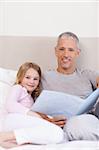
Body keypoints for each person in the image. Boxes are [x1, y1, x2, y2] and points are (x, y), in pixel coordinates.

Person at [42, 32, 99, 141]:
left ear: (77, 53)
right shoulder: (44, 77)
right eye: (62, 49)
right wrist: (47, 120)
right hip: (59, 123)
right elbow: (29, 106)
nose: (66, 54)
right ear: (56, 51)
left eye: (71, 50)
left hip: (87, 120)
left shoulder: (86, 74)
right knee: (73, 124)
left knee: (77, 123)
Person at [0, 62, 65, 148]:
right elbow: (10, 105)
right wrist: (33, 114)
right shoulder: (18, 88)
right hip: (11, 119)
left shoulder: (31, 97)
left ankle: (13, 140)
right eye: (27, 77)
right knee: (57, 133)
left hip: (20, 122)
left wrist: (49, 119)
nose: (31, 81)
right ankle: (5, 136)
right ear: (20, 77)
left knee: (57, 134)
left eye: (35, 79)